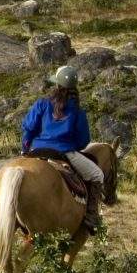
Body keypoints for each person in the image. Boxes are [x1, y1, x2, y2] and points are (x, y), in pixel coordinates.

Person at [21, 65, 103, 234]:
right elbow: (83, 141)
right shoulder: (78, 111)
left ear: (56, 85)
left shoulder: (42, 103)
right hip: (64, 152)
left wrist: (25, 149)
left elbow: (28, 128)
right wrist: (71, 144)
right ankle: (91, 215)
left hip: (37, 150)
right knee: (97, 175)